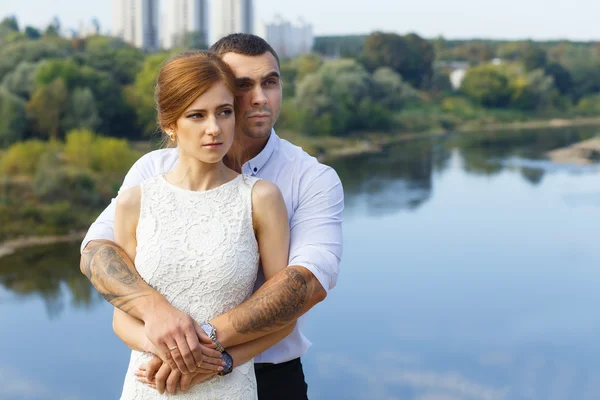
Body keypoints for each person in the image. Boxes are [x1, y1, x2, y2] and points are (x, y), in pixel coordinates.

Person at [80, 33, 344, 399]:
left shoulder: (310, 179)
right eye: (242, 86)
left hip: (263, 377)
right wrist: (157, 317)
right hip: (156, 374)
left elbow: (307, 285)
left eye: (270, 82)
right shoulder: (149, 174)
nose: (260, 98)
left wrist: (202, 352)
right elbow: (98, 252)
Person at [112, 50, 293, 399]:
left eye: (224, 112)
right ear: (170, 124)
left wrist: (216, 362)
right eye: (197, 115)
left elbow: (283, 318)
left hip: (227, 386)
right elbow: (121, 318)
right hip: (151, 383)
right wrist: (172, 352)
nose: (214, 128)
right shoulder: (134, 201)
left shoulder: (261, 199)